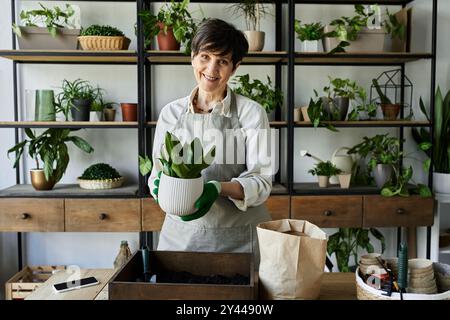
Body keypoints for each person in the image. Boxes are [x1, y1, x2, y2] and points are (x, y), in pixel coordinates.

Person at [149, 18, 272, 260]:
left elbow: (262, 181)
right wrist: (160, 189)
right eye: (205, 56)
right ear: (193, 57)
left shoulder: (252, 113)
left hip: (240, 242)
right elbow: (157, 171)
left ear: (234, 67)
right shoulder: (171, 114)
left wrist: (217, 188)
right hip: (181, 239)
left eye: (222, 61)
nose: (212, 69)